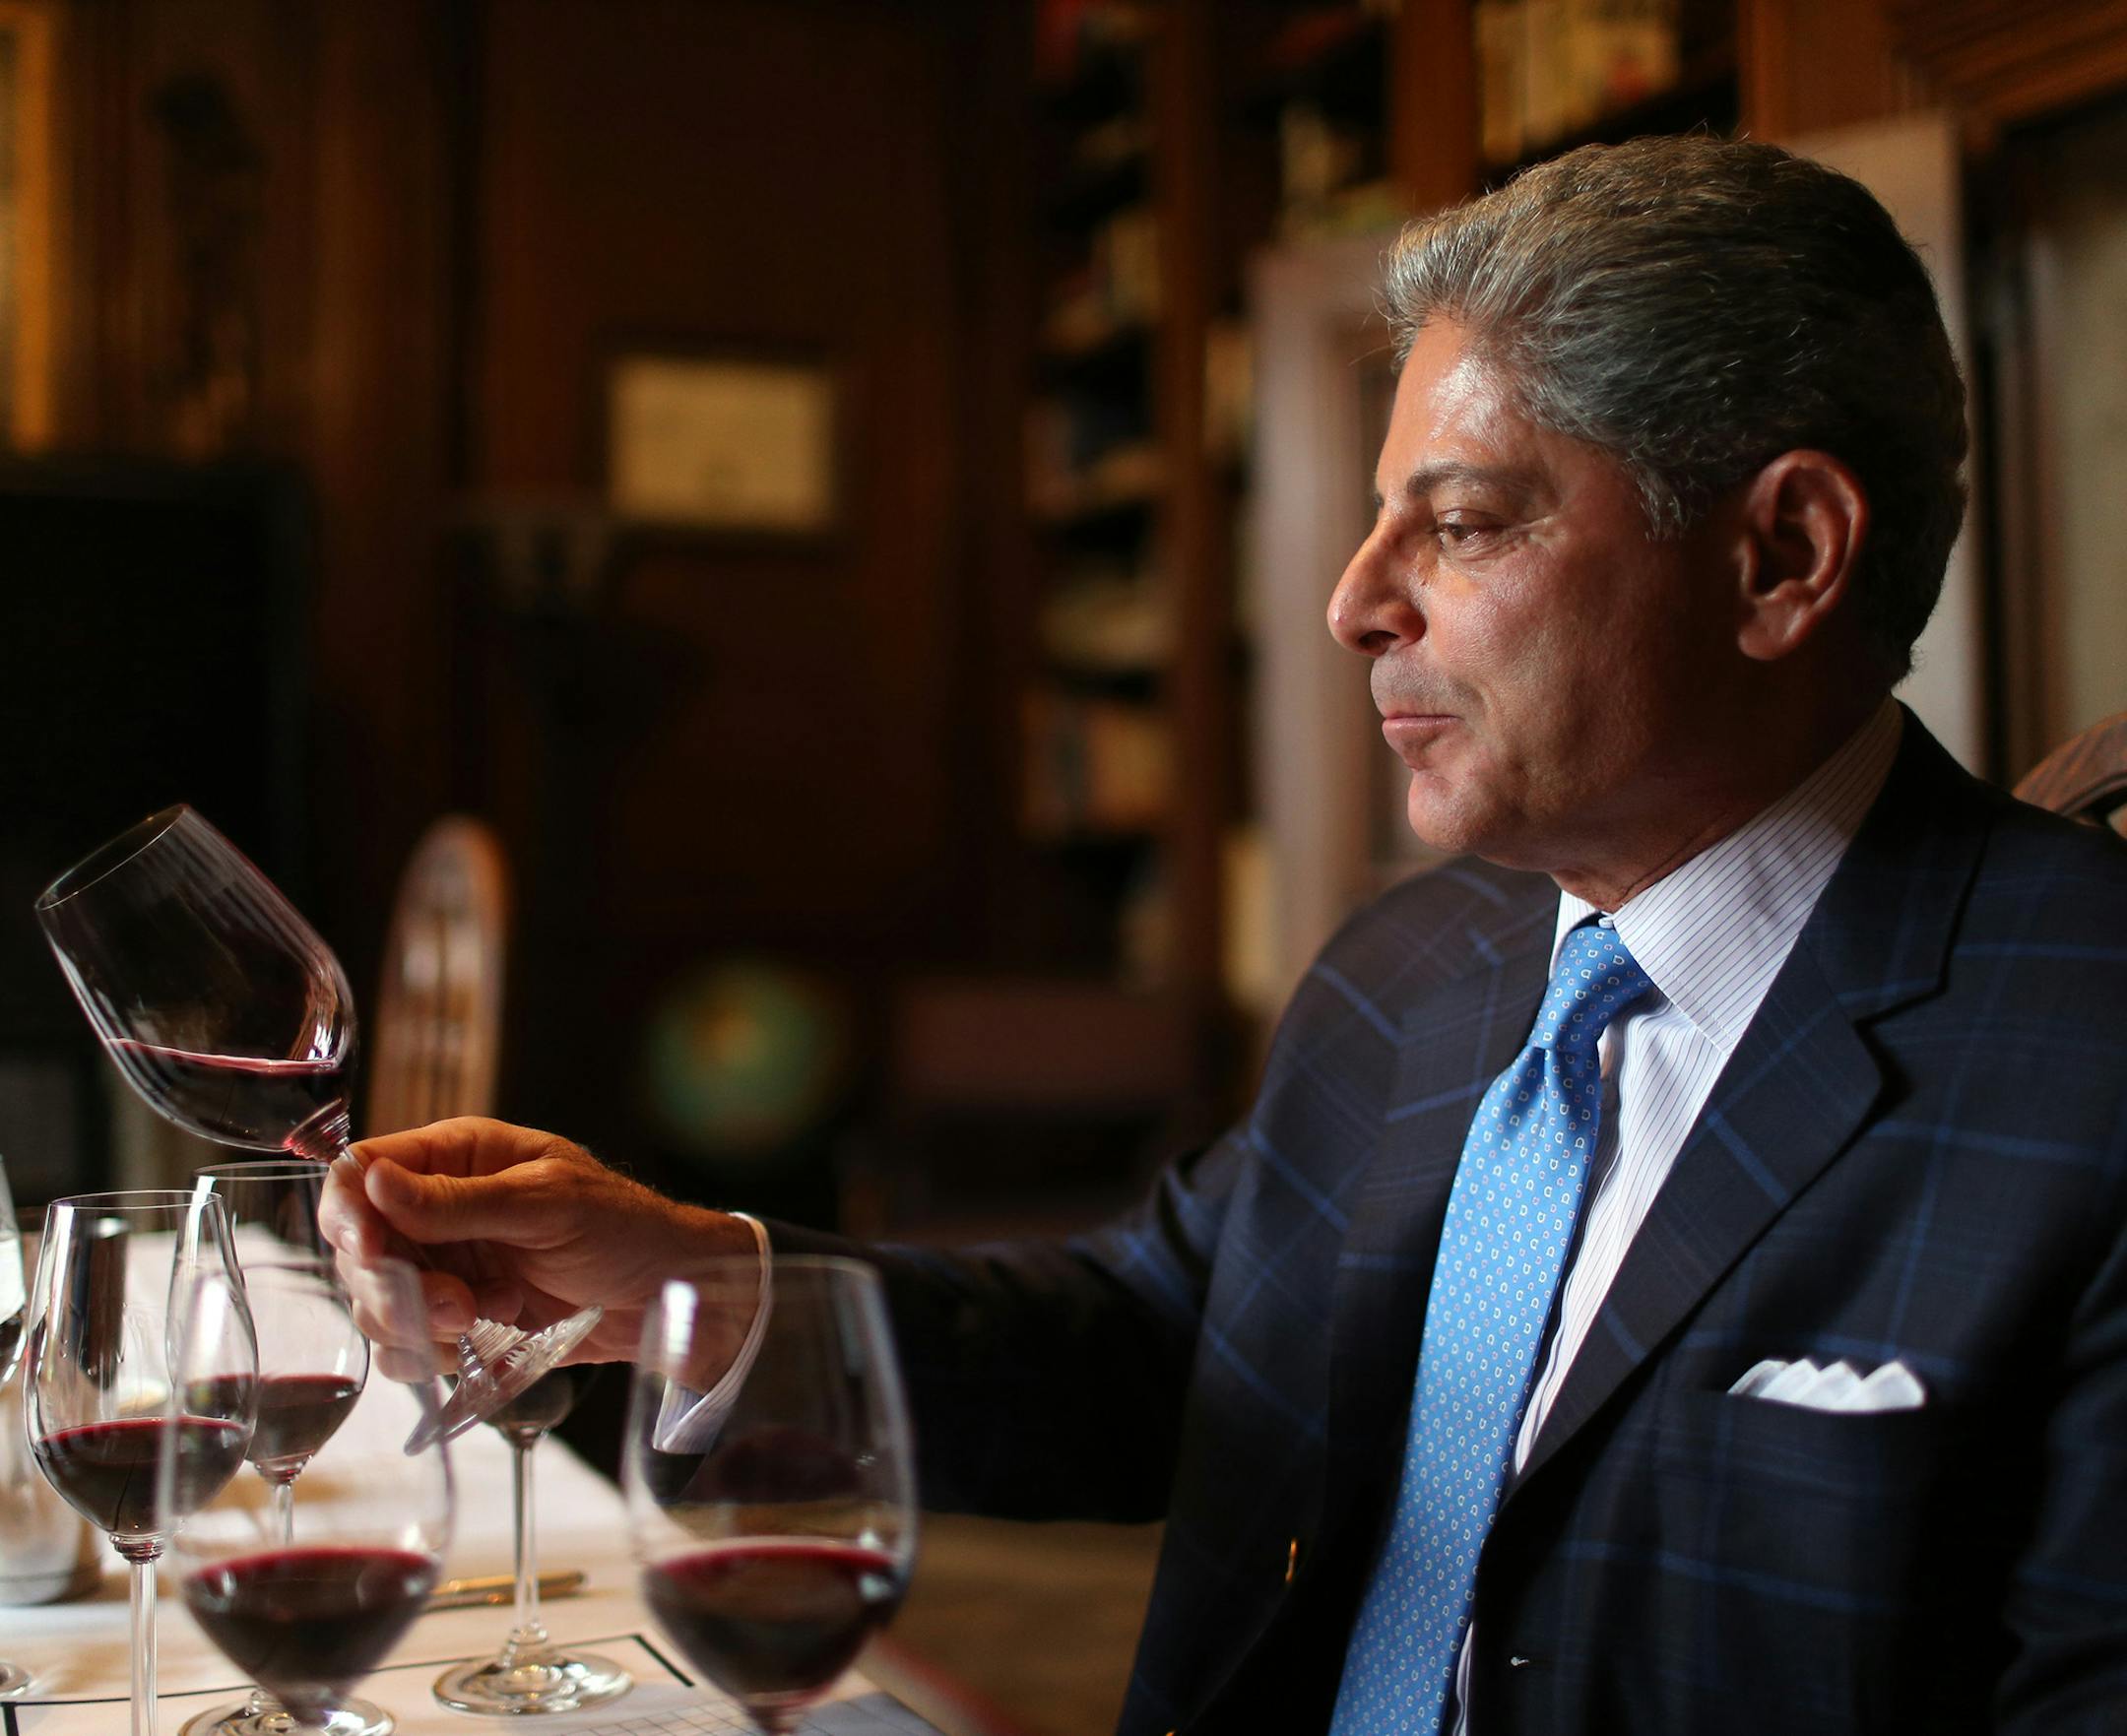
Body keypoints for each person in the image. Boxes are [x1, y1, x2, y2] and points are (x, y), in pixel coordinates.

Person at [321, 136, 2127, 1735]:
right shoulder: (1411, 970)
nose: (1355, 602)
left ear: (1781, 558)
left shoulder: (2092, 1058)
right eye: (1370, 522)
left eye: (1466, 524)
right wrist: (689, 1281)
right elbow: (1161, 1344)